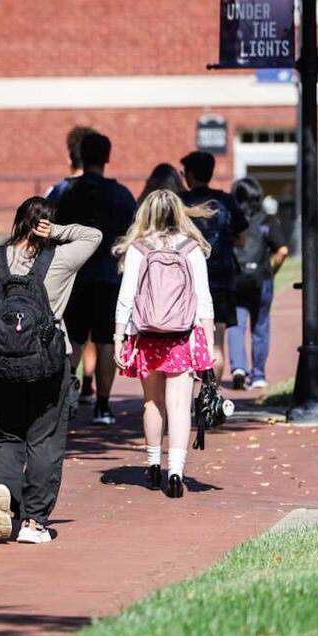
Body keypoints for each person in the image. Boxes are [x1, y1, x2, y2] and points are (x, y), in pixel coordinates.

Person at [0, 198, 101, 544]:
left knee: (9, 434)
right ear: (46, 225)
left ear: (18, 221)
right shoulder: (61, 258)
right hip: (49, 364)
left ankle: (5, 493)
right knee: (45, 439)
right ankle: (34, 521)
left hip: (4, 364)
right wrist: (59, 232)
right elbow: (94, 236)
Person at [113, 190, 216, 499]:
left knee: (152, 403)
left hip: (147, 337)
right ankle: (176, 471)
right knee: (179, 406)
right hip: (182, 337)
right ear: (179, 214)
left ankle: (154, 464)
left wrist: (120, 338)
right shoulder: (191, 249)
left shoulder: (138, 249)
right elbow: (204, 300)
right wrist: (209, 344)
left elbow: (126, 298)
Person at [49, 132, 136, 425]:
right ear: (107, 158)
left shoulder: (65, 193)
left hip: (74, 275)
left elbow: (50, 229)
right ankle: (103, 405)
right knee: (105, 341)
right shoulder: (121, 195)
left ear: (81, 156)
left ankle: (65, 400)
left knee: (72, 338)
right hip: (109, 277)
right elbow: (132, 235)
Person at [179, 151, 248, 382]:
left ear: (189, 174)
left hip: (184, 278)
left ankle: (187, 392)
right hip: (221, 276)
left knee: (183, 337)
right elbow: (242, 237)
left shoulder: (179, 202)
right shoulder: (226, 201)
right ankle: (212, 395)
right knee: (216, 338)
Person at [47, 126, 100, 405]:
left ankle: (72, 382)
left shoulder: (61, 190)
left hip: (70, 270)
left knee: (74, 332)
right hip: (102, 271)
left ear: (72, 157)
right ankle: (92, 387)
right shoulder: (109, 191)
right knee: (97, 335)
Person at [227, 179, 289, 390]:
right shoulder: (267, 221)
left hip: (236, 280)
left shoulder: (231, 220)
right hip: (260, 280)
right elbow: (282, 251)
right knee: (260, 327)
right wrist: (272, 271)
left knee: (236, 325)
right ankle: (259, 374)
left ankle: (238, 368)